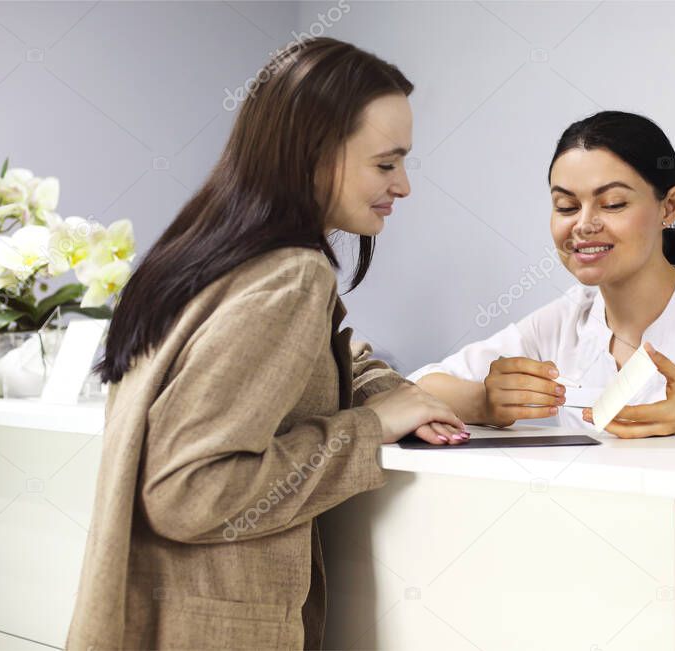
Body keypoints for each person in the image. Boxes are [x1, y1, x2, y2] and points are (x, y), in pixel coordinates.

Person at [66, 38, 468, 651]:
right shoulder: (291, 276)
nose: (404, 186)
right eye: (386, 164)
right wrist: (371, 428)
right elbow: (187, 493)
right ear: (314, 153)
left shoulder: (206, 253)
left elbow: (323, 355)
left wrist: (391, 393)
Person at [410, 111, 675, 443]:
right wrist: (485, 402)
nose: (584, 225)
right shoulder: (563, 322)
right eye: (567, 207)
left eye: (613, 203)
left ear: (669, 206)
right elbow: (413, 390)